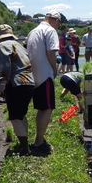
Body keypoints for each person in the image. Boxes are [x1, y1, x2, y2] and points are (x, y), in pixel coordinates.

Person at [0, 24, 35, 156]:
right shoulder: (19, 45)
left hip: (16, 82)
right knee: (21, 114)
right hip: (30, 81)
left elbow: (5, 64)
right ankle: (24, 143)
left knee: (15, 117)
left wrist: (2, 83)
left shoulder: (1, 46)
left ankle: (25, 149)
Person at [26, 11, 61, 152]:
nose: (59, 26)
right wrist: (54, 69)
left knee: (41, 108)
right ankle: (39, 141)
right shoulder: (50, 31)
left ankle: (38, 139)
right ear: (56, 20)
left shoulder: (33, 31)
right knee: (47, 108)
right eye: (59, 23)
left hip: (33, 74)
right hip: (45, 73)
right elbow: (51, 52)